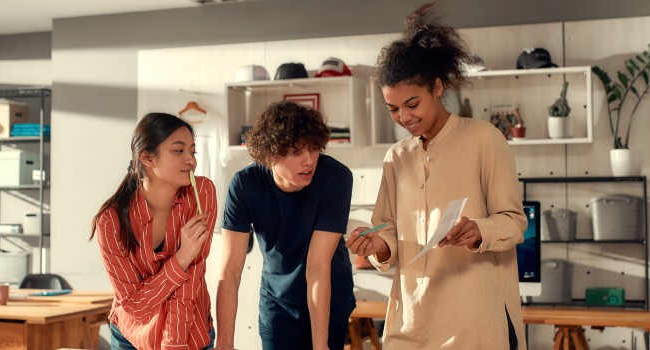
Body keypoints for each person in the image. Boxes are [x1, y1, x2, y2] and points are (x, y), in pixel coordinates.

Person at [345, 2, 528, 349]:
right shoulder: (395, 157)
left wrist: (478, 230)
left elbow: (514, 222)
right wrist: (377, 246)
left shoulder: (484, 139)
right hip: (411, 321)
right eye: (393, 109)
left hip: (475, 321)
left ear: (438, 88)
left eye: (413, 104)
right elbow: (387, 235)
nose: (404, 117)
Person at [215, 101, 355, 350]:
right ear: (269, 155)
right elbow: (230, 270)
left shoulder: (336, 178)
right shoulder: (245, 185)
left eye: (313, 149)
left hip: (328, 296)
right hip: (277, 302)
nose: (309, 160)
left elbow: (317, 267)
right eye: (296, 152)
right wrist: (224, 343)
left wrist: (320, 346)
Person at [91, 112, 218, 350]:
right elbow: (134, 306)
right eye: (179, 151)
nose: (191, 160)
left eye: (193, 151)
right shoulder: (111, 221)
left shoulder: (202, 193)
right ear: (148, 159)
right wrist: (181, 257)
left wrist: (174, 344)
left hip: (191, 333)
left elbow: (190, 281)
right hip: (132, 336)